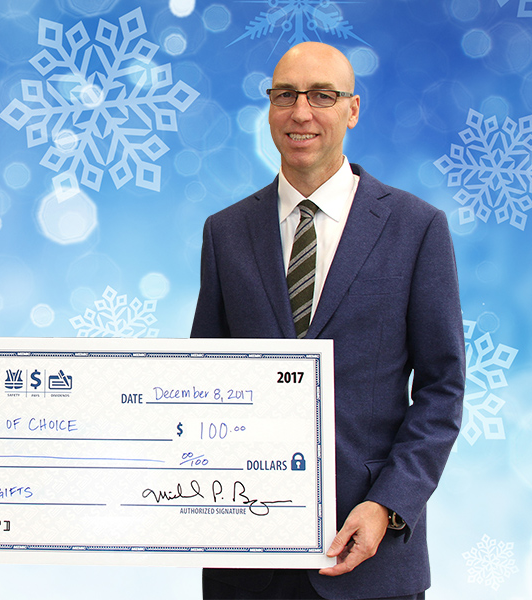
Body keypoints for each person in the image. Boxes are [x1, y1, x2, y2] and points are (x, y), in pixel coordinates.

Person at [192, 42, 464, 600]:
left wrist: (390, 505)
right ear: (269, 107)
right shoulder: (225, 232)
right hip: (247, 564)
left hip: (370, 558)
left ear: (352, 110)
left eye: (322, 96)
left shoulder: (417, 228)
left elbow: (442, 388)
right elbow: (198, 383)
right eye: (284, 95)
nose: (301, 112)